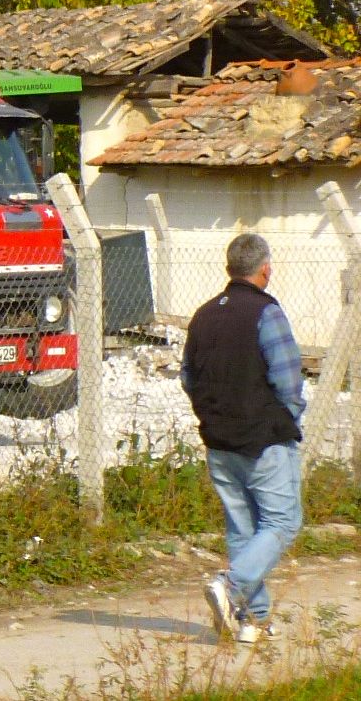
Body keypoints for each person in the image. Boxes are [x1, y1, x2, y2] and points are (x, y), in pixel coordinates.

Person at [181, 232, 305, 645]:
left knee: (242, 528)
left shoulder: (202, 315)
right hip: (262, 439)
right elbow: (288, 380)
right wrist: (288, 420)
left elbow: (188, 377)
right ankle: (230, 585)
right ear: (265, 269)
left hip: (219, 440)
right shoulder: (266, 312)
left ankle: (254, 620)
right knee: (283, 522)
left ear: (230, 268)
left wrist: (212, 416)